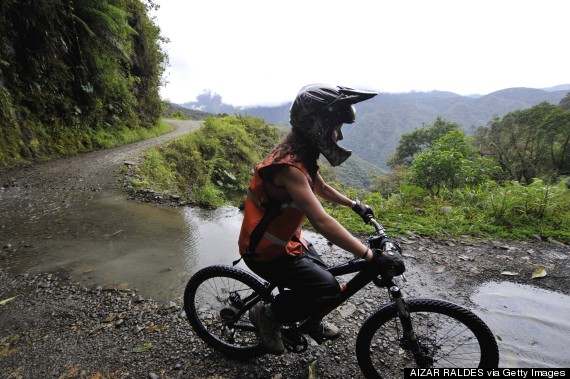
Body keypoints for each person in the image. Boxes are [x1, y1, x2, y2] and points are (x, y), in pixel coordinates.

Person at [237, 84, 405, 355]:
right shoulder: (288, 169)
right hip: (265, 253)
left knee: (325, 276)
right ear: (315, 125)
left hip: (287, 243)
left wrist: (355, 205)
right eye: (335, 126)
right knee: (325, 286)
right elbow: (322, 221)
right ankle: (267, 315)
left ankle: (309, 320)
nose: (338, 134)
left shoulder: (302, 155)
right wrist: (371, 256)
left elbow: (322, 189)